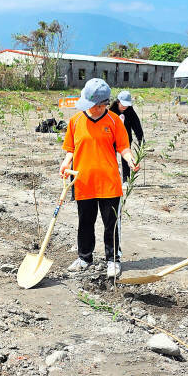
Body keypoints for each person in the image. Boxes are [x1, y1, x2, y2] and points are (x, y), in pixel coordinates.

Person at [58, 78, 138, 278]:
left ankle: (113, 260)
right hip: (83, 181)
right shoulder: (75, 121)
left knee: (110, 223)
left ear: (103, 104)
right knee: (85, 221)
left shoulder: (114, 121)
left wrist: (130, 159)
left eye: (95, 106)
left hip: (108, 183)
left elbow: (123, 147)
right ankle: (84, 257)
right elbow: (71, 148)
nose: (91, 109)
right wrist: (66, 162)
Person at [108, 90, 143, 184]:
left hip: (125, 139)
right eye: (123, 104)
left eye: (127, 104)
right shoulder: (111, 112)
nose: (125, 106)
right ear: (118, 101)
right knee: (111, 159)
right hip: (112, 140)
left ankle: (126, 180)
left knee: (126, 159)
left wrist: (141, 140)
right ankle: (112, 178)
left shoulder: (130, 111)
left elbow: (137, 125)